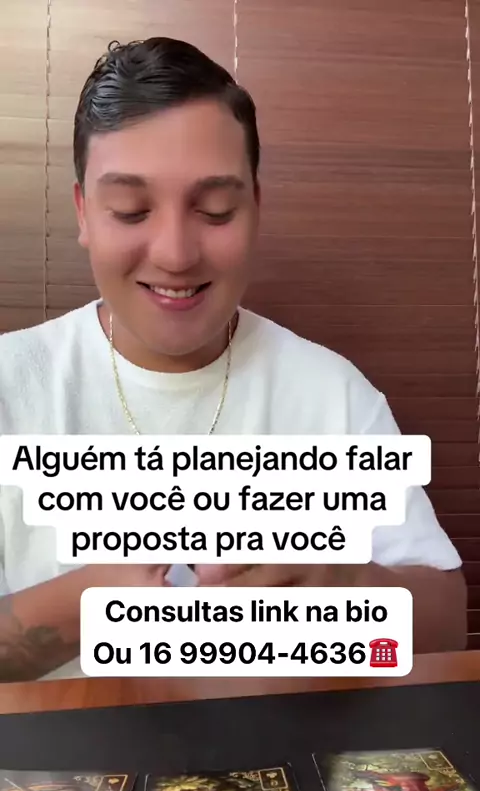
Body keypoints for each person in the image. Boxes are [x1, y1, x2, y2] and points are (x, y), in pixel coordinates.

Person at [0, 37, 466, 682]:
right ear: (84, 212)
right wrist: (76, 611)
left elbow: (445, 630)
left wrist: (352, 592)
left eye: (215, 211)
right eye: (131, 211)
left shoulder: (330, 394)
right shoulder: (12, 384)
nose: (175, 253)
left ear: (255, 208)